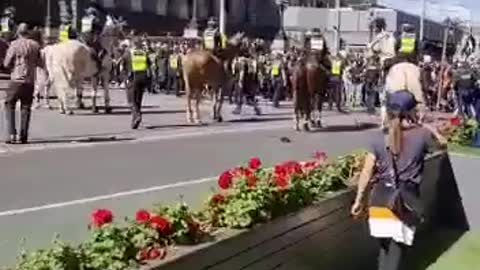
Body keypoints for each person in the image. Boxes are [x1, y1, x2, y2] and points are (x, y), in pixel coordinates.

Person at [351, 90, 447, 270]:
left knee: (384, 250)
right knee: (396, 254)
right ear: (411, 111)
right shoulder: (422, 135)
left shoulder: (379, 137)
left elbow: (367, 171)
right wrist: (429, 127)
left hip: (380, 200)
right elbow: (443, 144)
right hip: (404, 202)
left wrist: (358, 201)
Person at [2, 23, 42, 144]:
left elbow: (7, 63)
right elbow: (40, 63)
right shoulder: (35, 45)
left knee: (9, 105)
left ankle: (11, 134)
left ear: (18, 32)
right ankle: (23, 136)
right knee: (26, 108)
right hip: (30, 81)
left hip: (16, 80)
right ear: (28, 33)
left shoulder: (14, 45)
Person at [123, 37, 151, 129]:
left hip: (133, 78)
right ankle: (134, 121)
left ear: (132, 44)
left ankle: (137, 115)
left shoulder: (128, 53)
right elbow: (149, 64)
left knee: (131, 100)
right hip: (143, 77)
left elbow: (123, 66)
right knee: (138, 100)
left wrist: (124, 78)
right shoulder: (144, 53)